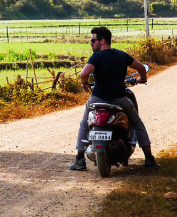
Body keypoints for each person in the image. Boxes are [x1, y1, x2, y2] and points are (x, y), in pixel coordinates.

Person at [68, 25, 160, 171]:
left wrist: (84, 83)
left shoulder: (96, 57)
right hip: (119, 99)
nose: (91, 43)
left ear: (102, 41)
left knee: (85, 124)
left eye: (93, 41)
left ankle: (79, 159)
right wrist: (142, 78)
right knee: (137, 123)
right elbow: (142, 68)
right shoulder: (121, 55)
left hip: (97, 99)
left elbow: (84, 73)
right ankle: (149, 158)